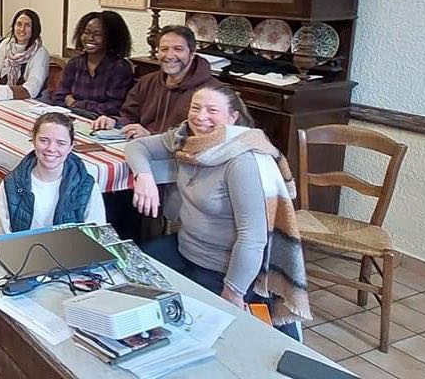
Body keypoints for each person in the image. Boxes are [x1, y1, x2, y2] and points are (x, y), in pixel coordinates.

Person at [126, 86, 311, 329]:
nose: (201, 117)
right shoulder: (186, 138)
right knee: (127, 271)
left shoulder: (242, 161)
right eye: (196, 108)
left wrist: (233, 291)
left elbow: (253, 239)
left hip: (221, 269)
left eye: (212, 110)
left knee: (192, 328)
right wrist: (144, 177)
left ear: (233, 117)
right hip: (186, 249)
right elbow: (138, 147)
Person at [92, 25, 219, 138]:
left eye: (178, 49)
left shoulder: (212, 92)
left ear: (192, 53)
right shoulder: (147, 81)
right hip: (142, 149)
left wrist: (152, 136)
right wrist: (114, 121)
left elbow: (204, 137)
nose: (169, 56)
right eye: (164, 49)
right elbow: (129, 116)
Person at [0, 113, 106, 234]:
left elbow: (96, 236)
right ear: (33, 140)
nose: (51, 148)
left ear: (70, 147)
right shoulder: (11, 184)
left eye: (61, 143)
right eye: (44, 140)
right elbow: (2, 235)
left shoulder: (87, 186)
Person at [45, 11, 135, 117]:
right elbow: (59, 98)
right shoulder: (74, 64)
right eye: (86, 32)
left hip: (103, 124)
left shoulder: (120, 68)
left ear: (112, 38)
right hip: (72, 118)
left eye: (98, 34)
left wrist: (76, 104)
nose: (90, 38)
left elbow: (114, 107)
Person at [0, 9, 49, 101]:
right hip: (4, 99)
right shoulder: (6, 44)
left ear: (35, 29)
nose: (22, 29)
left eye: (27, 25)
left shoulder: (40, 52)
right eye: (19, 24)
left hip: (31, 102)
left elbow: (32, 89)